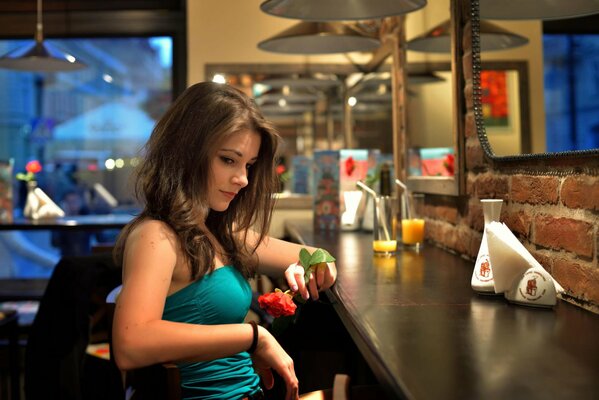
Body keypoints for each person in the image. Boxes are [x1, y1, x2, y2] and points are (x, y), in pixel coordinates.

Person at [112, 82, 337, 400]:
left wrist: (309, 267)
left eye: (248, 165)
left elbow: (317, 255)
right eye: (228, 160)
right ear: (187, 152)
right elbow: (130, 344)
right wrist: (254, 337)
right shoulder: (157, 236)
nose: (243, 179)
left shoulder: (219, 234)